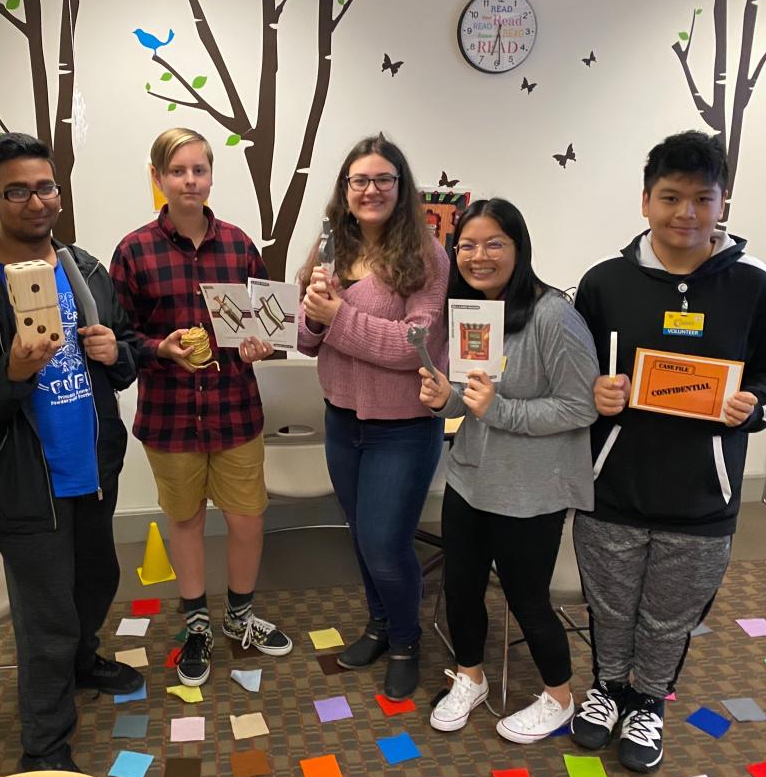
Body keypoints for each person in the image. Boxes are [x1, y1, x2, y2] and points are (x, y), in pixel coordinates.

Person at [571, 131, 766, 773]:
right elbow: (570, 371)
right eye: (670, 197)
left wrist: (754, 403)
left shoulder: (757, 285)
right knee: (612, 604)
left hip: (705, 495)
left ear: (723, 202)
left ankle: (649, 701)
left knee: (669, 613)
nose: (686, 213)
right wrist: (594, 389)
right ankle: (608, 688)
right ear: (645, 201)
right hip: (610, 485)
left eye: (702, 199)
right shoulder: (604, 282)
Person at [0, 133, 142, 773]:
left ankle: (82, 664)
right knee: (46, 619)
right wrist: (15, 370)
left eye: (44, 187)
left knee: (96, 581)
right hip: (24, 479)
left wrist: (117, 354)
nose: (34, 201)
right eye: (17, 191)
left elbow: (125, 356)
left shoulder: (86, 269)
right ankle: (44, 750)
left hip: (93, 467)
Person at [109, 127, 292, 689]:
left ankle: (239, 616)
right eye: (178, 171)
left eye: (200, 170)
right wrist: (157, 349)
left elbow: (265, 329)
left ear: (212, 176)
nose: (190, 181)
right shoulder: (133, 250)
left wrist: (261, 346)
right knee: (184, 522)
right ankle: (196, 624)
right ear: (160, 178)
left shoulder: (240, 246)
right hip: (168, 414)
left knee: (246, 519)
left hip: (236, 408)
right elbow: (120, 337)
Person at [418, 198, 598, 740]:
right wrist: (441, 399)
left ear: (518, 248)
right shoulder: (473, 310)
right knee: (463, 585)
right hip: (472, 478)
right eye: (467, 245)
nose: (479, 255)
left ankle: (560, 697)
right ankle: (470, 677)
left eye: (494, 242)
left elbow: (580, 406)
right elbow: (471, 400)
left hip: (532, 490)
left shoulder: (553, 315)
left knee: (527, 599)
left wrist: (499, 409)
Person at [298, 134, 449, 700]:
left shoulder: (428, 256)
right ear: (344, 189)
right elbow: (306, 337)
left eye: (384, 179)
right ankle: (380, 625)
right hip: (342, 419)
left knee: (386, 544)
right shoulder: (329, 246)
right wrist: (316, 319)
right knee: (364, 538)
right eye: (359, 180)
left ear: (401, 187)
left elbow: (412, 345)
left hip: (403, 427)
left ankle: (407, 640)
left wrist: (334, 314)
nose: (371, 189)